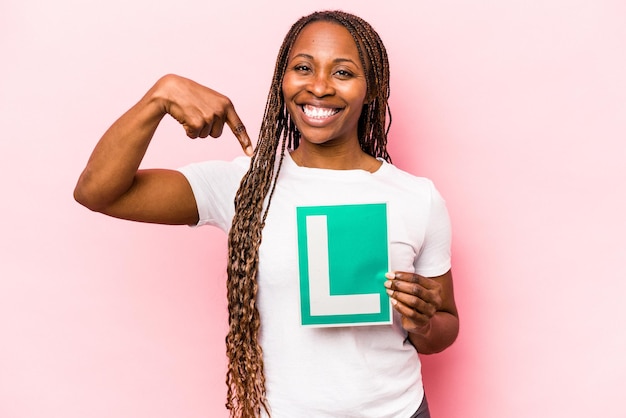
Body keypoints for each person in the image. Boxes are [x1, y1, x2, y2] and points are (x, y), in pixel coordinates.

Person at [74, 10, 459, 418]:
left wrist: (422, 321)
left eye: (343, 73)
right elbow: (97, 193)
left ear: (373, 88)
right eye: (303, 68)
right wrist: (159, 97)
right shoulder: (245, 185)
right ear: (282, 81)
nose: (319, 86)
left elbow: (443, 328)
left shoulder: (417, 198)